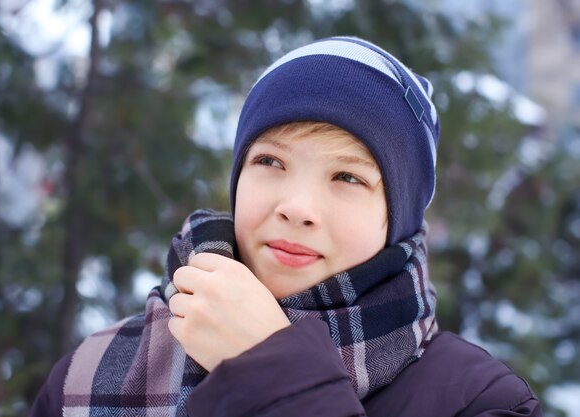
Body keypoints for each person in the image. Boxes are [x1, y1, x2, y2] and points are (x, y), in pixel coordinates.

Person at [30, 36, 541, 416]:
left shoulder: (479, 400)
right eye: (271, 162)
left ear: (398, 217)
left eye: (346, 176)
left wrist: (270, 372)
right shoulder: (88, 376)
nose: (298, 208)